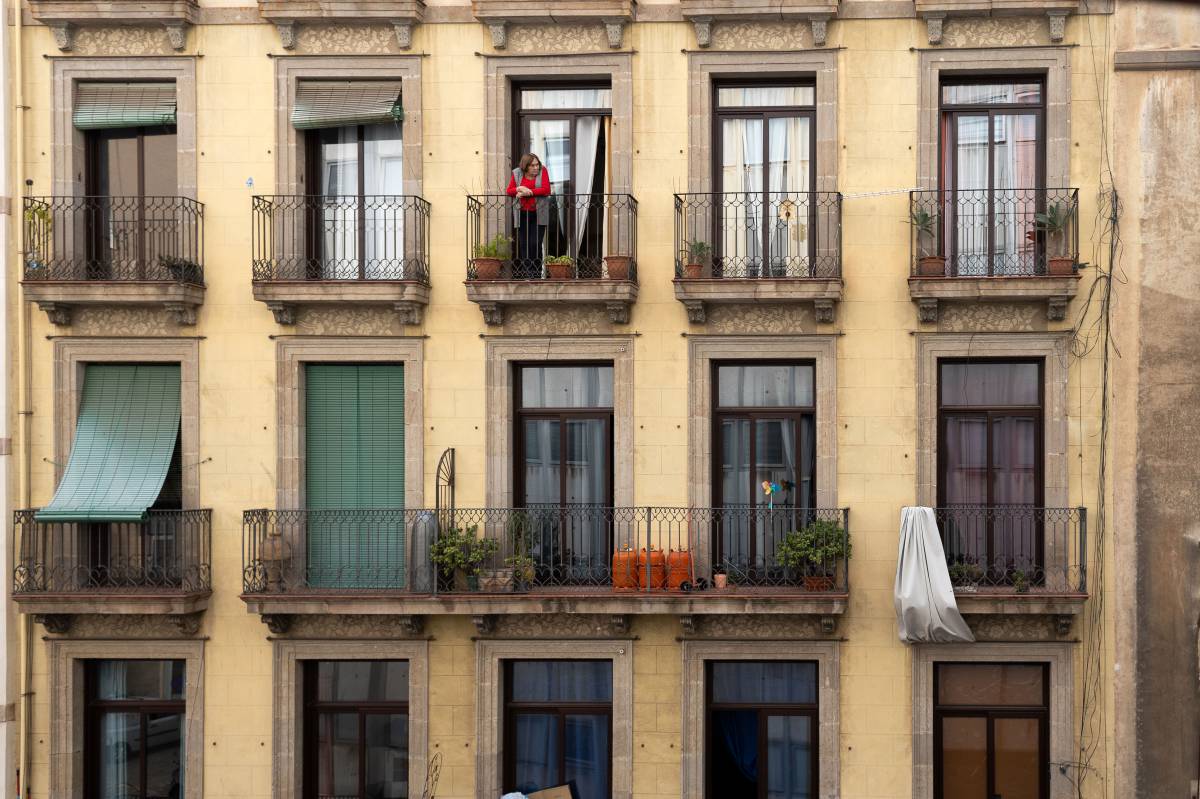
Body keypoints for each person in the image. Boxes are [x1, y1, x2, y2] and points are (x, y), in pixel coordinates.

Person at [506, 153, 552, 278]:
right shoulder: (517, 173)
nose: (536, 168)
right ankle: (528, 273)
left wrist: (528, 192)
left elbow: (546, 190)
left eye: (537, 165)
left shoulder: (543, 171)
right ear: (525, 166)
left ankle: (537, 273)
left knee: (535, 242)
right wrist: (518, 188)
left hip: (539, 213)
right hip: (522, 214)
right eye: (532, 165)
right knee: (524, 244)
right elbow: (509, 191)